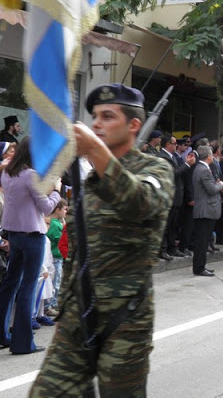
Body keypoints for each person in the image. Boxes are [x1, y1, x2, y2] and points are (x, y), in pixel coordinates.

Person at [30, 83, 174, 397]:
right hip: (78, 313)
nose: (97, 124)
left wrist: (95, 150)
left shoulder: (156, 168)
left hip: (124, 318)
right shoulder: (90, 180)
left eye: (108, 116)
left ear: (133, 125)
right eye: (95, 116)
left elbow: (142, 201)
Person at [0, 137, 62, 354]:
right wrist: (56, 190)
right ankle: (23, 343)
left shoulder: (7, 172)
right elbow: (46, 208)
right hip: (32, 235)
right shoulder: (31, 175)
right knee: (27, 286)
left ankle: (3, 335)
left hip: (14, 234)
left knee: (10, 283)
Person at [192, 145, 223, 277]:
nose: (212, 156)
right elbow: (211, 189)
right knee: (202, 241)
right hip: (205, 209)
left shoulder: (200, 168)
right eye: (211, 154)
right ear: (208, 156)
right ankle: (199, 267)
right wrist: (220, 185)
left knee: (203, 240)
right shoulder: (203, 170)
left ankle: (201, 265)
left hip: (204, 208)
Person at [45, 199, 68, 316]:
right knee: (55, 282)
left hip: (56, 257)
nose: (66, 212)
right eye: (65, 209)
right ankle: (50, 305)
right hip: (55, 257)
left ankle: (52, 303)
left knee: (55, 281)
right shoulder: (55, 225)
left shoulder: (55, 223)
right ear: (57, 210)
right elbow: (61, 240)